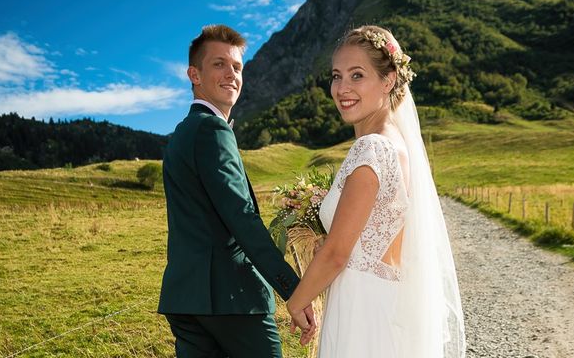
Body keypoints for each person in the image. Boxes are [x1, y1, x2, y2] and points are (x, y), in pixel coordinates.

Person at [286, 25, 466, 357]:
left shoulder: (371, 148)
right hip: (385, 303)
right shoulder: (398, 145)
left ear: (388, 80)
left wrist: (297, 301)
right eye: (336, 76)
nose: (342, 88)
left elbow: (338, 253)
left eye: (357, 76)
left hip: (361, 310)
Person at [158, 24, 315, 358]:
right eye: (219, 64)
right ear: (194, 74)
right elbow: (242, 220)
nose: (231, 74)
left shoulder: (180, 135)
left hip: (185, 299)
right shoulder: (212, 129)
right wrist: (293, 289)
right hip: (232, 299)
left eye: (237, 67)